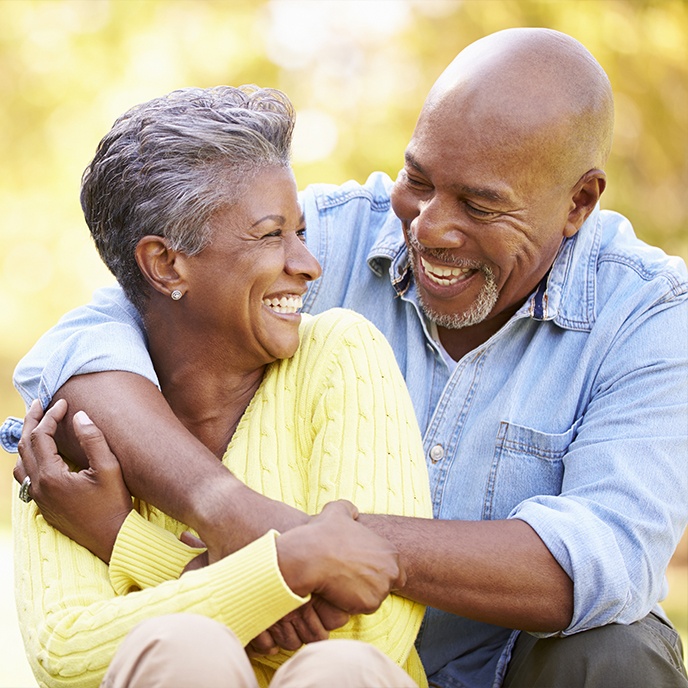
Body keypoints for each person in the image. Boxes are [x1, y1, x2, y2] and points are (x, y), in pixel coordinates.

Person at [6, 26, 688, 688]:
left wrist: (303, 550)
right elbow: (90, 342)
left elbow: (602, 558)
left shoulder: (650, 314)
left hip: (504, 667)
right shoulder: (323, 235)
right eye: (417, 179)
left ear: (580, 202)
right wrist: (228, 510)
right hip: (302, 661)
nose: (428, 228)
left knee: (620, 652)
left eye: (480, 204)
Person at [6, 85, 433, 688]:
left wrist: (125, 541)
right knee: (183, 653)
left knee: (341, 668)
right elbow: (65, 652)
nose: (309, 266)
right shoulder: (73, 431)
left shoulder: (341, 353)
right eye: (270, 235)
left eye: (302, 233)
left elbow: (374, 633)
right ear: (166, 265)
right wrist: (288, 568)